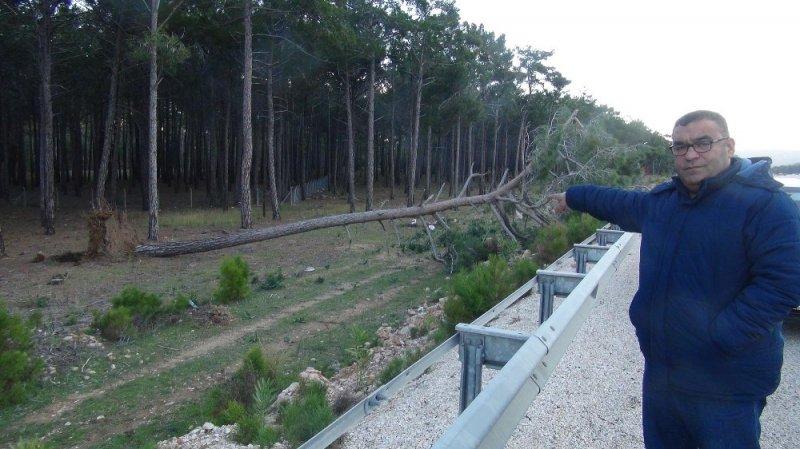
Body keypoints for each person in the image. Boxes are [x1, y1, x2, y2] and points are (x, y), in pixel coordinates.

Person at [550, 110, 800, 449]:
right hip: (664, 375)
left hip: (727, 383)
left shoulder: (766, 205)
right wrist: (573, 196)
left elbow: (785, 281)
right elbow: (617, 201)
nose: (690, 154)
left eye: (702, 143)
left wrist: (720, 335)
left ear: (729, 146)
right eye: (680, 147)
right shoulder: (665, 203)